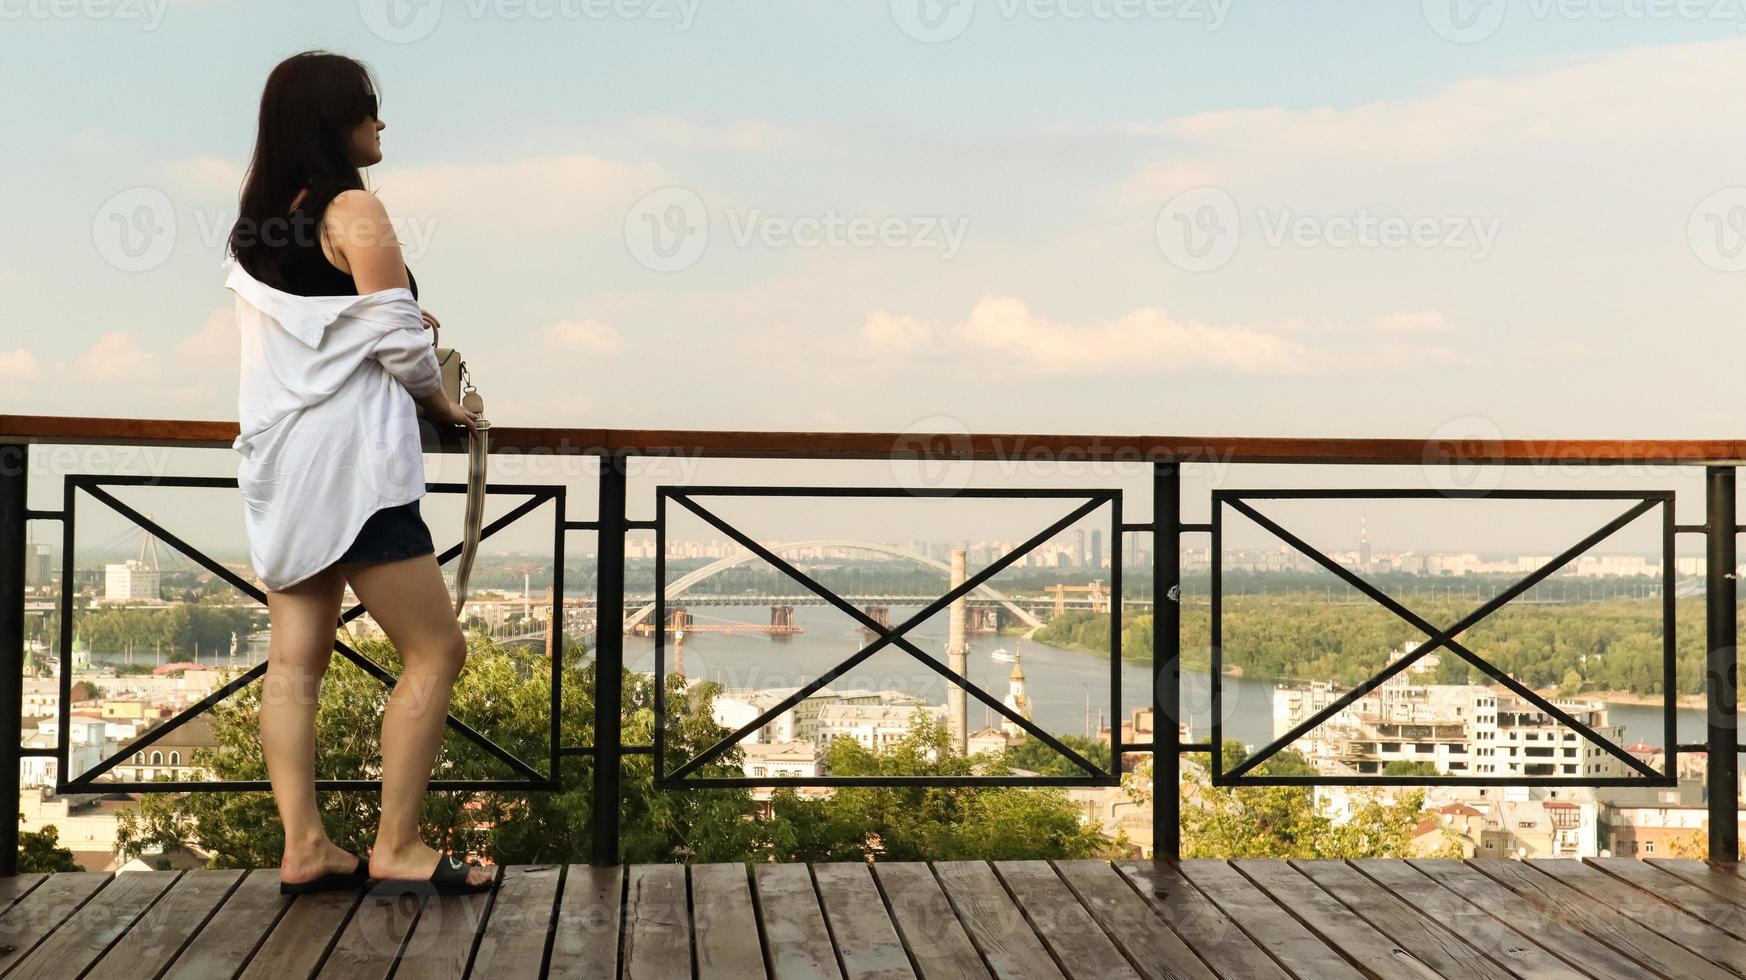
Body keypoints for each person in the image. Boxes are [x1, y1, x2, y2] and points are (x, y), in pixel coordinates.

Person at [225, 50, 492, 895]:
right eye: (369, 109)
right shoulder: (356, 208)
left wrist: (392, 317)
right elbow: (398, 346)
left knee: (296, 660)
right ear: (335, 120)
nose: (382, 125)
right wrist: (445, 407)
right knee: (436, 650)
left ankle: (304, 845)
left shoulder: (261, 221)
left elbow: (332, 329)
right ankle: (399, 847)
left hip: (281, 461)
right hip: (353, 468)